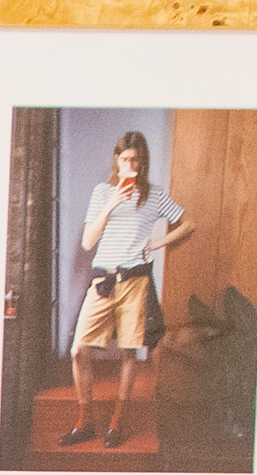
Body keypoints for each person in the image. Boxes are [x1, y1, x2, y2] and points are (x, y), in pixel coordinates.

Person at [67, 130, 186, 448]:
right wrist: (112, 204)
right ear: (117, 161)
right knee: (79, 350)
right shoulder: (102, 192)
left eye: (136, 159)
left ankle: (116, 424)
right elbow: (88, 242)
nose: (130, 164)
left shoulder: (155, 195)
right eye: (125, 159)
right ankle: (86, 421)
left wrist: (157, 242)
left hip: (136, 282)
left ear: (142, 162)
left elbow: (188, 224)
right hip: (104, 281)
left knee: (129, 352)